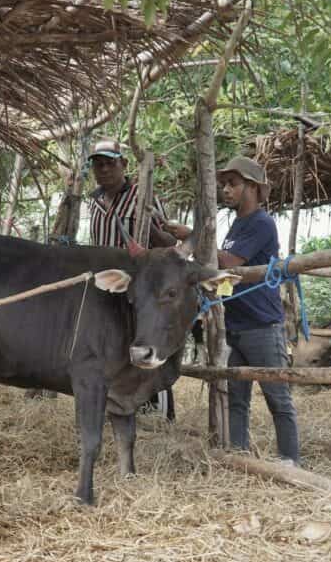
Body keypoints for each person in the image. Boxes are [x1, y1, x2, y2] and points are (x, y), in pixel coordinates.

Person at [167, 157, 299, 464]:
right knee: (237, 398)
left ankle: (290, 460)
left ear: (252, 188)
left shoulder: (262, 223)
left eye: (233, 184)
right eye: (224, 184)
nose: (225, 190)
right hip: (235, 324)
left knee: (278, 398)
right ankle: (239, 457)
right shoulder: (237, 224)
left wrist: (191, 234)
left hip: (262, 325)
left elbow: (227, 262)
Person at [86, 139, 178, 420]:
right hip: (107, 286)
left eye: (110, 163)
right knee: (111, 346)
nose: (104, 170)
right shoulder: (94, 202)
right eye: (98, 165)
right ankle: (118, 403)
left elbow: (170, 241)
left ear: (124, 164)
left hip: (139, 287)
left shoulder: (143, 197)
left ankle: (158, 407)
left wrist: (149, 228)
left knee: (144, 342)